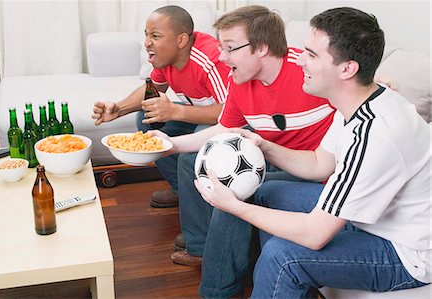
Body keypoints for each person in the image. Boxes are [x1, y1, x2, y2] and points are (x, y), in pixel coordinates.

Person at [195, 7, 431, 298]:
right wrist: (264, 146)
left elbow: (315, 234)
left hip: (406, 252)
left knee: (283, 257)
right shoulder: (353, 105)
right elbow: (320, 164)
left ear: (347, 69)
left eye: (311, 54)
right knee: (266, 192)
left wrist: (233, 206)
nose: (300, 61)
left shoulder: (374, 135)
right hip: (373, 218)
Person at [152, 5, 336, 298]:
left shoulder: (308, 73)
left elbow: (357, 87)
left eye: (229, 48)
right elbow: (222, 128)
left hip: (316, 172)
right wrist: (167, 145)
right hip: (274, 160)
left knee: (235, 189)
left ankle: (216, 291)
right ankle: (214, 280)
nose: (222, 57)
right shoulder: (238, 81)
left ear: (262, 48)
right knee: (199, 165)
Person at [92, 5, 230, 208]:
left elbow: (230, 113)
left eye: (155, 36)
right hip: (199, 115)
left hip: (225, 124)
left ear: (181, 40)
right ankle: (182, 192)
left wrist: (176, 111)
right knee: (147, 118)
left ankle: (197, 208)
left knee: (191, 152)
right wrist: (118, 109)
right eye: (146, 35)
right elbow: (152, 89)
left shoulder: (210, 60)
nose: (147, 43)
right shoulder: (166, 58)